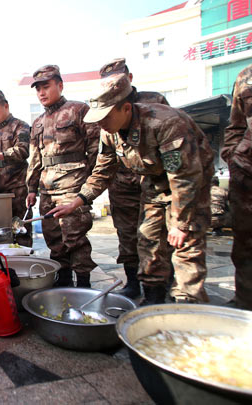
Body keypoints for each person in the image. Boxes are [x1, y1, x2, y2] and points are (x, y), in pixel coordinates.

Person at [50, 73, 214, 305]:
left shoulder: (166, 123)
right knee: (148, 241)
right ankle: (153, 301)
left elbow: (184, 178)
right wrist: (78, 201)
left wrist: (180, 223)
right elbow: (102, 171)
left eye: (105, 116)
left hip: (191, 185)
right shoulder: (109, 132)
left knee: (185, 247)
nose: (100, 123)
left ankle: (189, 308)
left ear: (126, 108)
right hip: (153, 184)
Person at [98, 58, 170, 299]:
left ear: (129, 78)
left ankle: (160, 283)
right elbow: (104, 162)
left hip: (157, 184)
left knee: (156, 235)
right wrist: (82, 198)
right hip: (123, 183)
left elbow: (174, 155)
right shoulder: (105, 114)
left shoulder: (155, 103)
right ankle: (132, 281)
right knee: (127, 234)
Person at [25, 65, 100, 288]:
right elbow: (34, 158)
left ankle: (84, 283)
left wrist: (90, 185)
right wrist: (31, 189)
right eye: (37, 88)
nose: (41, 92)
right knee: (54, 239)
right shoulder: (37, 122)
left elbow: (96, 149)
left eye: (46, 86)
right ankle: (63, 278)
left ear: (60, 85)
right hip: (47, 189)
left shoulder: (79, 110)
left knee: (74, 237)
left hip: (72, 187)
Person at [221, 64, 252, 310]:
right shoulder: (245, 77)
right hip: (247, 176)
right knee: (244, 243)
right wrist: (234, 157)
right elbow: (236, 126)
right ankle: (245, 302)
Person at [0, 90, 32, 247]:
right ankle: (6, 265)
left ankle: (25, 263)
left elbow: (23, 150)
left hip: (17, 188)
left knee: (21, 229)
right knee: (2, 231)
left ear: (6, 106)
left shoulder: (20, 126)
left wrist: (1, 155)